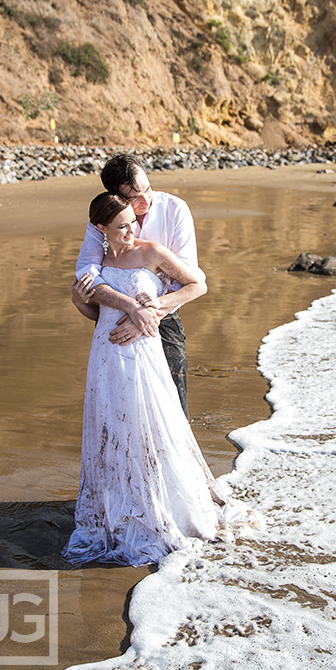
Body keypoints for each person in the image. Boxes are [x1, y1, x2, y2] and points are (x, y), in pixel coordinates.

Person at [64, 193, 250, 566]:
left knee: (150, 426)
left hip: (142, 355)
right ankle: (117, 509)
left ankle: (159, 507)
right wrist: (79, 301)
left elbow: (198, 284)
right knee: (112, 429)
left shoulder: (152, 252)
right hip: (104, 355)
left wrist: (154, 308)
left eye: (133, 222)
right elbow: (95, 311)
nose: (131, 231)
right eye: (121, 226)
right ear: (101, 229)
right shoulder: (96, 261)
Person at [75, 154, 196, 419]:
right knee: (119, 412)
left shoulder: (175, 209)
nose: (146, 201)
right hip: (114, 326)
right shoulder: (105, 217)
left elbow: (187, 276)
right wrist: (128, 308)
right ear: (115, 196)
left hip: (162, 322)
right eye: (134, 197)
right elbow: (87, 272)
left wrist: (144, 315)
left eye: (148, 189)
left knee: (173, 410)